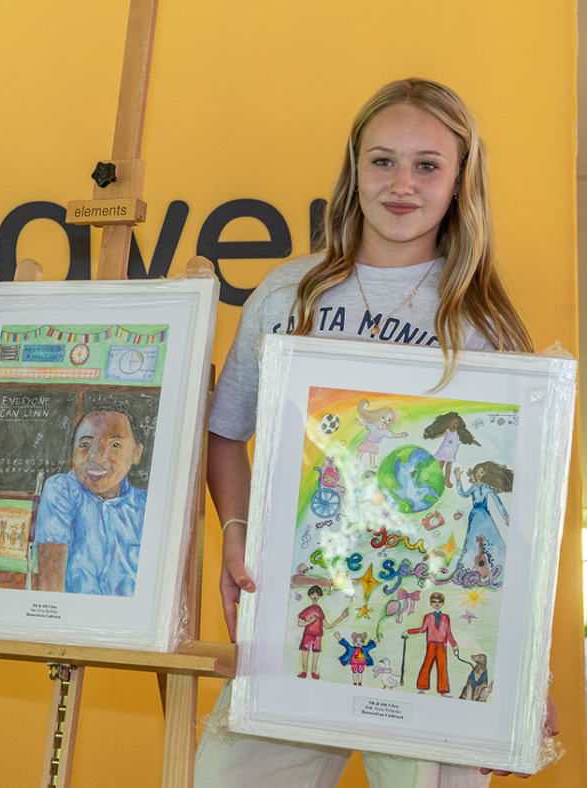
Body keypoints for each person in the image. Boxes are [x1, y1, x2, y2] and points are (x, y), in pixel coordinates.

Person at [194, 78, 553, 786]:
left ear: (459, 183)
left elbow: (519, 513)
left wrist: (520, 667)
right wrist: (235, 528)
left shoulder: (482, 325)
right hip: (299, 614)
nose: (402, 184)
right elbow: (226, 430)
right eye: (382, 160)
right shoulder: (287, 294)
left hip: (427, 616)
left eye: (428, 165)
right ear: (353, 169)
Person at [33, 408, 146, 596]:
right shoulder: (61, 489)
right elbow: (50, 591)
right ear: (72, 452)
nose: (97, 456)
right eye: (85, 444)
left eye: (115, 445)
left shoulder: (147, 506)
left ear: (136, 453)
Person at [453, 461, 511, 573]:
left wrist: (506, 517)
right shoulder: (474, 487)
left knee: (492, 539)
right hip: (474, 516)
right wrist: (458, 479)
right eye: (478, 471)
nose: (479, 474)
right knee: (472, 541)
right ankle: (470, 568)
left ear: (484, 474)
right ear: (474, 473)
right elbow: (463, 494)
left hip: (485, 516)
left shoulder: (487, 488)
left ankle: (497, 567)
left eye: (482, 472)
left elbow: (498, 502)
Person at [404, 591, 459, 696]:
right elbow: (422, 629)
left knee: (442, 667)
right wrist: (409, 631)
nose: (437, 604)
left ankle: (443, 691)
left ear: (443, 603)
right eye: (434, 601)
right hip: (431, 644)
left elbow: (448, 632)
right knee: (427, 664)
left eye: (439, 601)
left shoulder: (446, 617)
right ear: (430, 603)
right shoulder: (428, 616)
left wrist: (454, 645)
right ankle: (422, 688)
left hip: (442, 645)